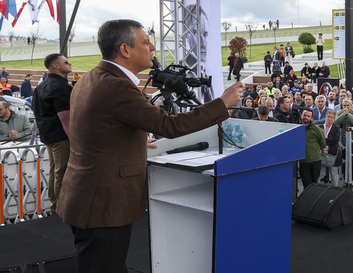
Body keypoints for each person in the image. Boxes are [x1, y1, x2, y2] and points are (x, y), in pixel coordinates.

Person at [57, 19, 244, 273]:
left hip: (87, 195)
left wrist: (132, 139)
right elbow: (169, 126)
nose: (153, 46)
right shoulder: (117, 86)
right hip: (103, 204)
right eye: (146, 42)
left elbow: (95, 128)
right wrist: (222, 104)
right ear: (125, 49)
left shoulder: (92, 76)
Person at [31, 53, 73, 215]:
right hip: (61, 136)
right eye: (66, 62)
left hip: (49, 136)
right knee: (61, 171)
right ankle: (60, 207)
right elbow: (66, 118)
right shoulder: (59, 87)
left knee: (55, 169)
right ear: (56, 66)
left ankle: (56, 205)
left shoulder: (43, 85)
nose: (69, 64)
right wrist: (74, 140)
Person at [299, 108, 327, 190]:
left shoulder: (316, 129)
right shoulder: (297, 128)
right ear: (301, 115)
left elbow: (323, 143)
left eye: (308, 116)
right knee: (306, 183)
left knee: (314, 183)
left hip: (315, 160)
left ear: (311, 118)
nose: (306, 117)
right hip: (303, 161)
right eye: (304, 115)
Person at [321, 110, 342, 186]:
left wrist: (323, 140)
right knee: (319, 172)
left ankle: (335, 188)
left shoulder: (337, 128)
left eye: (331, 117)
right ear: (325, 117)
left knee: (334, 173)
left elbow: (335, 140)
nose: (329, 119)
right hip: (321, 153)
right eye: (328, 117)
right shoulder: (320, 126)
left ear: (334, 118)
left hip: (332, 153)